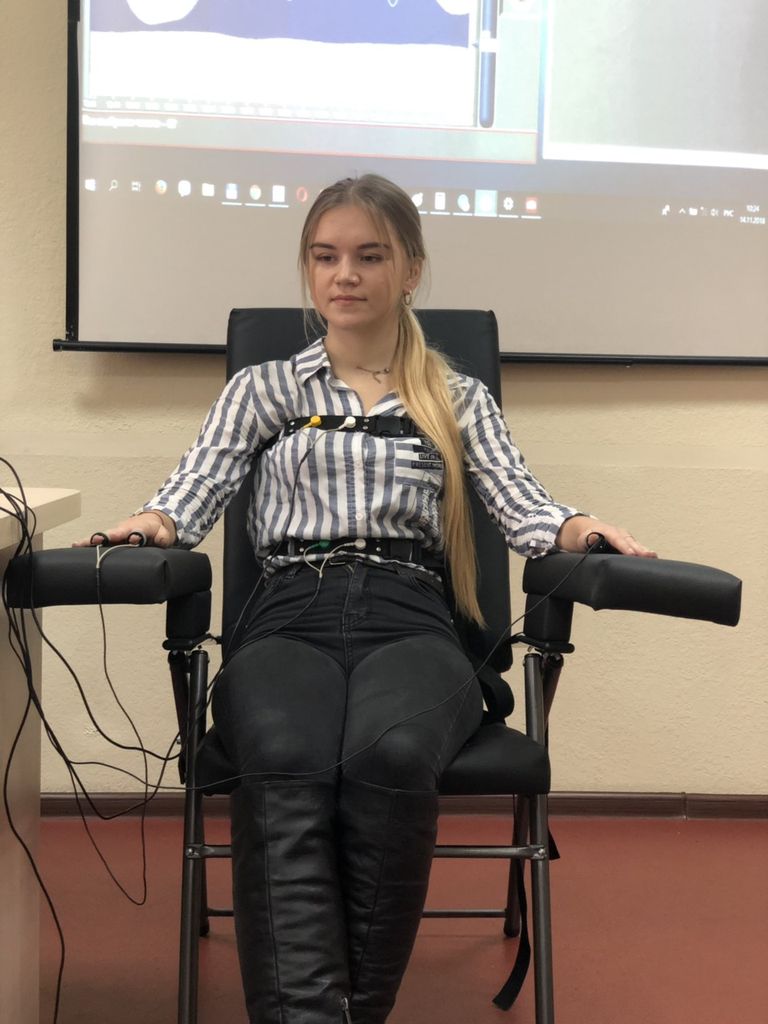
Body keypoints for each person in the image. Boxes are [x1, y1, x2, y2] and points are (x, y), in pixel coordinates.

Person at [74, 173, 656, 1024]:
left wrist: (580, 528)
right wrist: (149, 524)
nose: (344, 274)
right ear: (308, 269)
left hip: (410, 616)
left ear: (410, 269)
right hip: (288, 613)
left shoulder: (455, 397)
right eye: (325, 256)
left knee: (391, 752)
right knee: (285, 750)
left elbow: (526, 508)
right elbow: (189, 496)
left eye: (369, 256)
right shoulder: (264, 390)